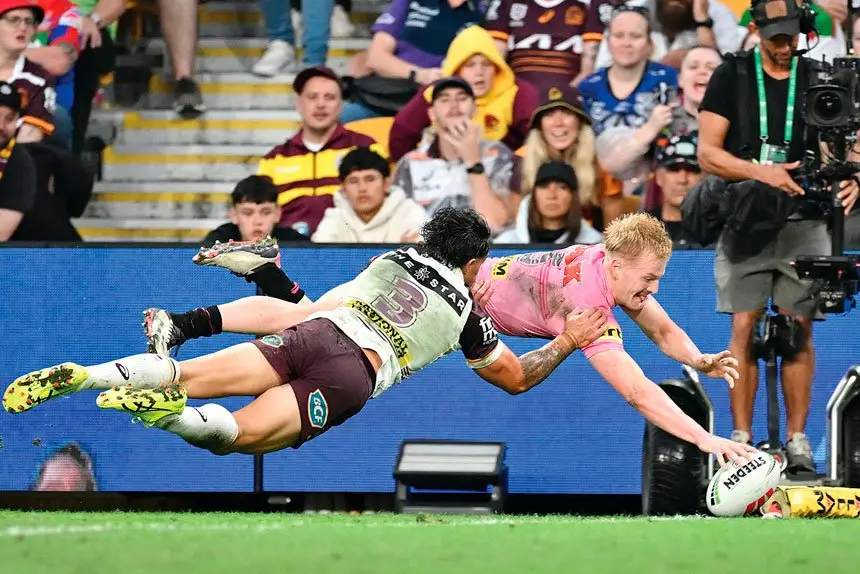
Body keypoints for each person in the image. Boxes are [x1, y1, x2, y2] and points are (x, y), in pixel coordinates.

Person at [129, 213, 752, 466]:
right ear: (615, 264)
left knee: (312, 316)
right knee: (306, 322)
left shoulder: (601, 259)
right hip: (453, 303)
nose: (654, 287)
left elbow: (657, 322)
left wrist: (697, 357)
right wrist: (706, 439)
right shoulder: (588, 307)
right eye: (650, 276)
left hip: (438, 284)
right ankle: (244, 287)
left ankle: (257, 279)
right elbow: (639, 392)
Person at [4, 208, 613, 456]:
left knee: (184, 371)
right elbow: (515, 379)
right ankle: (169, 416)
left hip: (317, 334)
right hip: (352, 375)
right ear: (474, 261)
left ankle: (86, 375)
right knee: (238, 436)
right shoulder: (467, 318)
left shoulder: (394, 257)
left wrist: (274, 281)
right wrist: (567, 339)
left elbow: (309, 311)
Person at [697, 0, 859, 471]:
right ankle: (741, 440)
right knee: (743, 325)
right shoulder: (731, 76)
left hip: (805, 217)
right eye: (777, 38)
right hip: (745, 217)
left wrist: (853, 174)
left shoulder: (819, 77)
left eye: (792, 36)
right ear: (756, 30)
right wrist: (761, 172)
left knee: (800, 325)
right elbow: (708, 154)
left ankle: (797, 440)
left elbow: (848, 137)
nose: (786, 47)